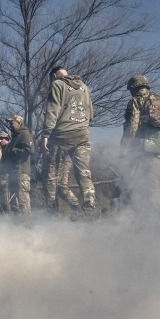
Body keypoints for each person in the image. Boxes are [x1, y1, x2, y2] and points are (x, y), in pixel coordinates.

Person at [43, 65, 96, 212]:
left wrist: (46, 134)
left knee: (52, 176)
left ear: (54, 76)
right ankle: (89, 206)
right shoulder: (84, 87)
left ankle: (51, 212)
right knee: (84, 172)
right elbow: (91, 114)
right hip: (83, 135)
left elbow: (53, 110)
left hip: (62, 136)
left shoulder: (57, 84)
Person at [121, 75, 160, 212]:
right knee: (153, 182)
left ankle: (132, 212)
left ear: (134, 88)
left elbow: (133, 125)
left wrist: (126, 145)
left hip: (140, 144)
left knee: (132, 179)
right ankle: (154, 214)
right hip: (157, 143)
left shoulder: (135, 101)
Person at [0, 115, 34, 215]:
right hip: (14, 174)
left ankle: (27, 223)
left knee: (23, 201)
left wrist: (13, 151)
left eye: (12, 122)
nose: (10, 125)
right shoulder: (15, 137)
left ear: (19, 122)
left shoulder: (24, 134)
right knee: (14, 203)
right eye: (9, 123)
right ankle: (17, 223)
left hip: (22, 173)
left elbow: (29, 150)